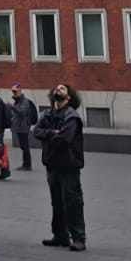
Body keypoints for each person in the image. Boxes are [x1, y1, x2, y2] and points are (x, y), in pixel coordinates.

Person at [33, 83, 86, 251]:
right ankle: (60, 235)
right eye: (56, 88)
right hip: (52, 164)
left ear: (69, 97)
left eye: (62, 89)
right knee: (56, 201)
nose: (58, 89)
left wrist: (49, 135)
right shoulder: (47, 114)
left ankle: (78, 238)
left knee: (72, 202)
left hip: (69, 165)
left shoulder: (72, 116)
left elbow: (65, 138)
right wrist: (52, 133)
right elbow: (36, 131)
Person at [9, 84, 39, 172]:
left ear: (20, 91)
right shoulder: (18, 101)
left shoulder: (24, 101)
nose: (13, 93)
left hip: (23, 127)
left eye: (15, 91)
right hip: (19, 127)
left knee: (25, 146)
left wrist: (12, 107)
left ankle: (27, 165)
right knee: (23, 146)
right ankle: (25, 164)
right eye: (12, 91)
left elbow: (22, 112)